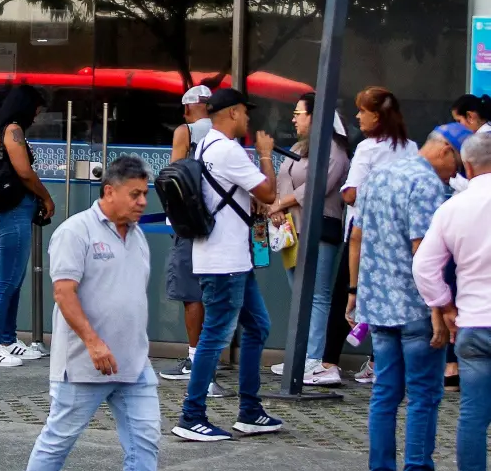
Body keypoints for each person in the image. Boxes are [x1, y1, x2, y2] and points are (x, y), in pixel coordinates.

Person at [9, 156, 175, 471]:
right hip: (84, 362)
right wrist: (94, 342)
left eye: (144, 194)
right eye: (134, 194)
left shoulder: (136, 236)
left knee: (145, 442)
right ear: (109, 191)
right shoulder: (75, 232)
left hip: (133, 364)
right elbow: (64, 293)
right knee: (59, 440)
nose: (141, 202)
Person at [347, 123, 471, 471]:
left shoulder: (381, 174)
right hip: (416, 308)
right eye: (458, 165)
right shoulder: (428, 186)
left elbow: (357, 237)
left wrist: (354, 292)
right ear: (446, 152)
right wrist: (440, 309)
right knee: (423, 397)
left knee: (384, 396)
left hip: (378, 305)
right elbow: (425, 254)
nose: (456, 175)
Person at [172, 89, 283, 442]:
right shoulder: (227, 150)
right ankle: (192, 415)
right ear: (233, 113)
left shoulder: (204, 146)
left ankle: (250, 410)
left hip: (231, 259)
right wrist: (265, 156)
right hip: (224, 262)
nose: (249, 120)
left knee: (258, 326)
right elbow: (267, 193)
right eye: (245, 114)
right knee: (214, 337)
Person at [413, 130, 491, 471]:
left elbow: (424, 267)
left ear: (468, 165)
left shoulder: (453, 207)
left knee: (473, 417)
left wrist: (444, 304)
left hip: (473, 324)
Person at [324, 87, 417, 385]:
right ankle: (380, 363)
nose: (357, 116)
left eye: (362, 111)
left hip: (363, 234)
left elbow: (351, 194)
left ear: (376, 116)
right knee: (388, 297)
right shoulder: (411, 147)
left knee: (344, 293)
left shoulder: (368, 147)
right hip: (399, 234)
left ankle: (328, 362)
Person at [268, 94, 350, 385]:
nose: (294, 119)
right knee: (300, 293)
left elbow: (317, 188)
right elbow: (284, 178)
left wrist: (282, 202)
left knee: (317, 295)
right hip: (291, 228)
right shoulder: (299, 148)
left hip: (319, 228)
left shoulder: (335, 151)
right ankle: (299, 355)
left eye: (298, 113)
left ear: (315, 117)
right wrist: (279, 205)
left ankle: (314, 358)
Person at [159, 85, 226, 397]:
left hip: (191, 221)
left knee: (191, 291)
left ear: (187, 109)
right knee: (217, 291)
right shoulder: (227, 132)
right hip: (222, 223)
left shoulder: (184, 131)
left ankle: (195, 360)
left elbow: (175, 177)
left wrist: (173, 216)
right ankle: (210, 359)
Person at [0, 85, 55, 368]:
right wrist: (46, 196)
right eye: (36, 108)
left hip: (10, 209)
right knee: (6, 281)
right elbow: (24, 171)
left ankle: (8, 340)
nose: (37, 115)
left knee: (14, 279)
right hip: (13, 210)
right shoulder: (13, 131)